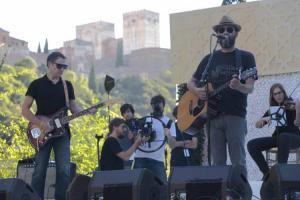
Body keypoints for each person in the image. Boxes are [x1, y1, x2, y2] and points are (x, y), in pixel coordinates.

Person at [187, 15, 257, 176]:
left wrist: (240, 86)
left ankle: (240, 194)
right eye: (221, 30)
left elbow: (250, 88)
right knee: (217, 163)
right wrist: (197, 91)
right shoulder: (209, 59)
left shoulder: (246, 57)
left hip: (235, 116)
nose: (225, 32)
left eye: (229, 29)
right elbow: (191, 82)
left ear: (236, 33)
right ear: (217, 33)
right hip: (212, 118)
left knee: (238, 161)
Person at [21, 52, 95, 200]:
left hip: (63, 133)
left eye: (64, 66)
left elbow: (73, 107)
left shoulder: (67, 86)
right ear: (49, 64)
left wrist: (87, 111)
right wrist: (40, 123)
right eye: (59, 65)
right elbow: (24, 110)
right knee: (39, 170)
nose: (62, 69)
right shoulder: (36, 84)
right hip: (41, 132)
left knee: (64, 171)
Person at [247, 83, 300, 178]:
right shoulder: (274, 110)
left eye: (280, 93)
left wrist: (298, 109)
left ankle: (281, 172)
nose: (278, 95)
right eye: (275, 94)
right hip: (278, 138)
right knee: (251, 144)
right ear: (272, 96)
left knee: (284, 137)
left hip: (294, 137)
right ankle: (267, 174)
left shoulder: (293, 106)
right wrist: (264, 120)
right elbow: (257, 125)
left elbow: (297, 123)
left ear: (283, 93)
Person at [133, 95, 176, 188]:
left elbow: (172, 145)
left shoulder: (169, 123)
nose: (157, 106)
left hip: (157, 160)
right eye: (154, 104)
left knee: (163, 188)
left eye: (159, 104)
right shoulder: (145, 120)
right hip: (140, 158)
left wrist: (168, 135)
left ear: (163, 106)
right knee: (136, 189)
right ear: (151, 106)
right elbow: (136, 140)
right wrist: (141, 138)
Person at [119, 103, 138, 169]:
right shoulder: (121, 125)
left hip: (139, 155)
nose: (127, 114)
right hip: (127, 155)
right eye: (124, 113)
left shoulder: (138, 122)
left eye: (128, 111)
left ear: (132, 112)